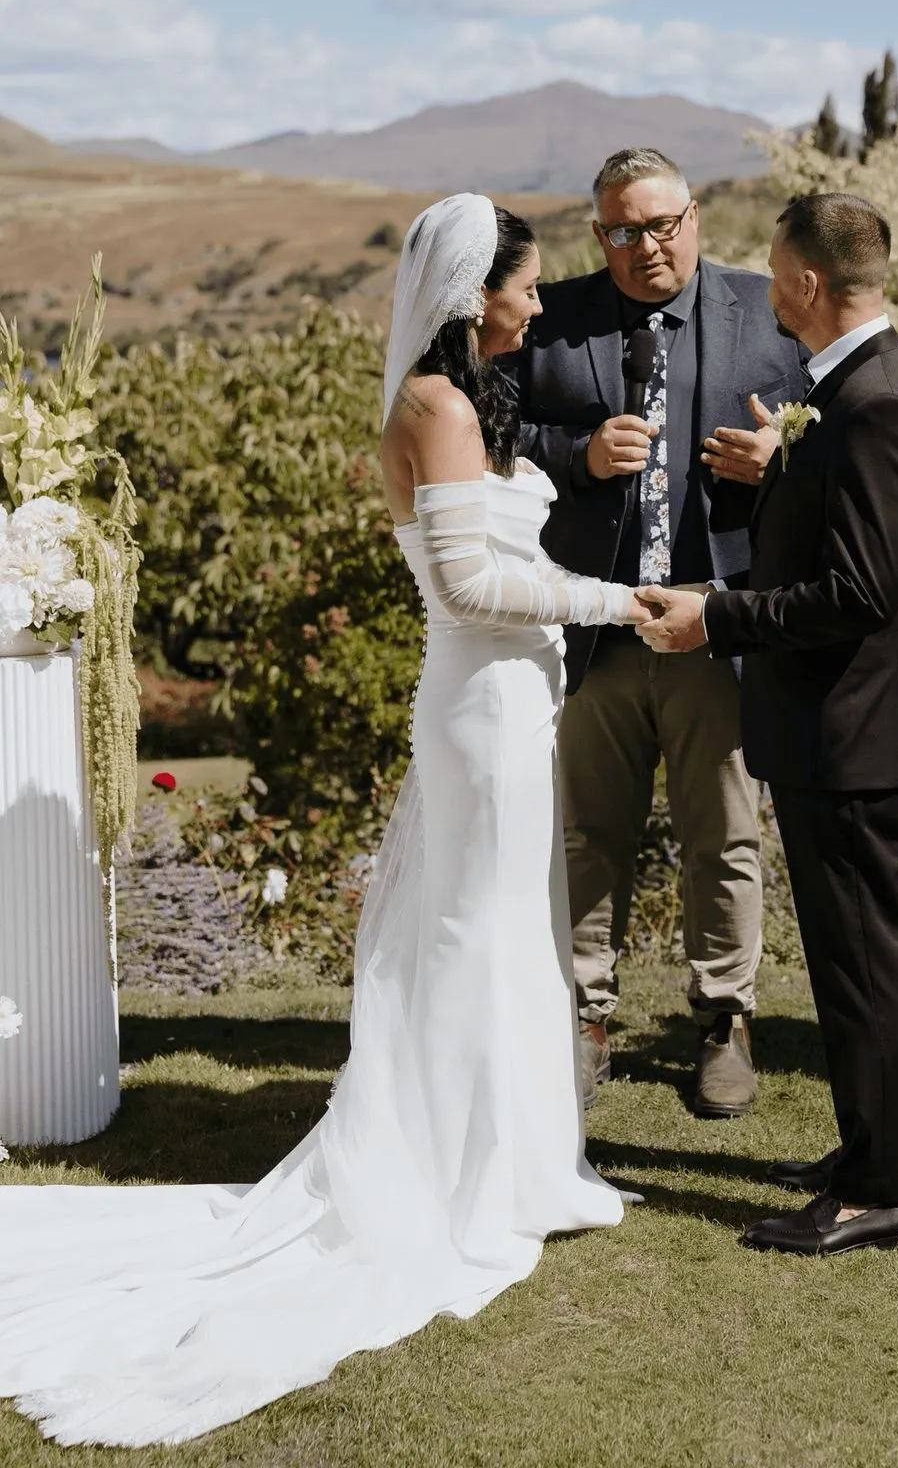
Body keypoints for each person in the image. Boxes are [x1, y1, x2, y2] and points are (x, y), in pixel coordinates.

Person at [0, 195, 648, 1447]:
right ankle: (459, 1177)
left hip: (515, 699)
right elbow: (468, 582)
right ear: (474, 295)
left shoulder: (471, 400)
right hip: (479, 704)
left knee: (514, 926)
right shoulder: (433, 406)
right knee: (470, 930)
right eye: (521, 285)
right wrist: (621, 603)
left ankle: (516, 1163)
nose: (535, 300)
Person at [638, 190, 898, 1256]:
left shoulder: (880, 404)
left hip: (854, 728)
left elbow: (858, 592)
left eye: (775, 275)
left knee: (864, 960)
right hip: (836, 725)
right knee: (851, 956)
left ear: (810, 285)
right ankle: (879, 1151)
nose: (765, 291)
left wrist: (715, 616)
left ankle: (878, 1194)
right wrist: (779, 470)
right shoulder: (848, 391)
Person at [514, 148, 807, 1118]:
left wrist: (782, 460)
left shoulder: (763, 312)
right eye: (623, 232)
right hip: (594, 624)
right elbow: (489, 432)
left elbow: (840, 426)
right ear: (598, 235)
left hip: (712, 624)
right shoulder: (553, 320)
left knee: (720, 834)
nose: (646, 246)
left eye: (662, 224)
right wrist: (578, 452)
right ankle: (582, 1016)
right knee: (584, 837)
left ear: (697, 215)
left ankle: (723, 1017)